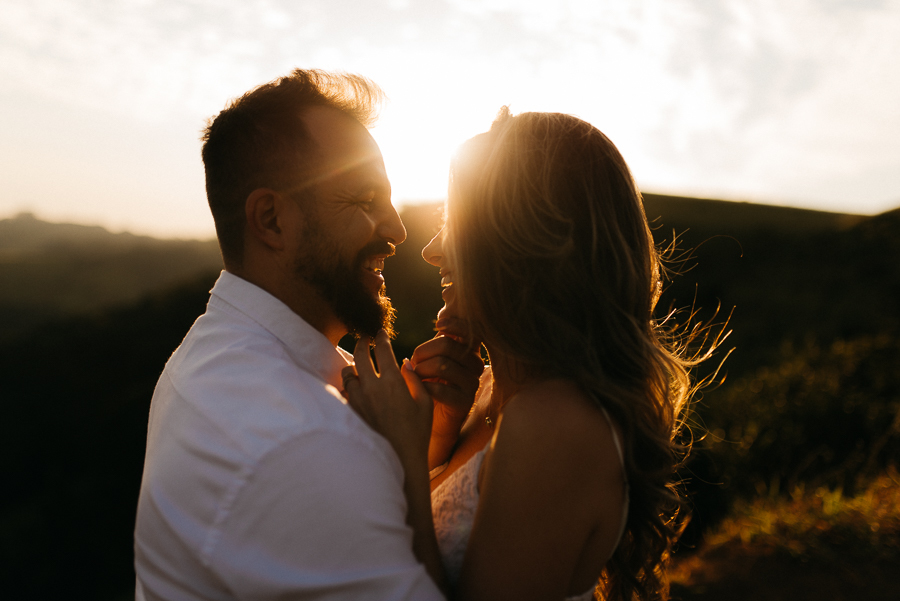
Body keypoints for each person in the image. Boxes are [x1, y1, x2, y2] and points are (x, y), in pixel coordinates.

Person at [344, 109, 721, 600]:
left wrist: (401, 460)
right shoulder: (486, 392)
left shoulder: (555, 422)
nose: (432, 250)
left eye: (456, 221)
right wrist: (436, 432)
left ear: (522, 240)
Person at [133, 69, 480, 600]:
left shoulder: (216, 353)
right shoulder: (301, 440)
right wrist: (404, 462)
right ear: (271, 220)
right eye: (364, 200)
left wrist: (433, 440)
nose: (397, 230)